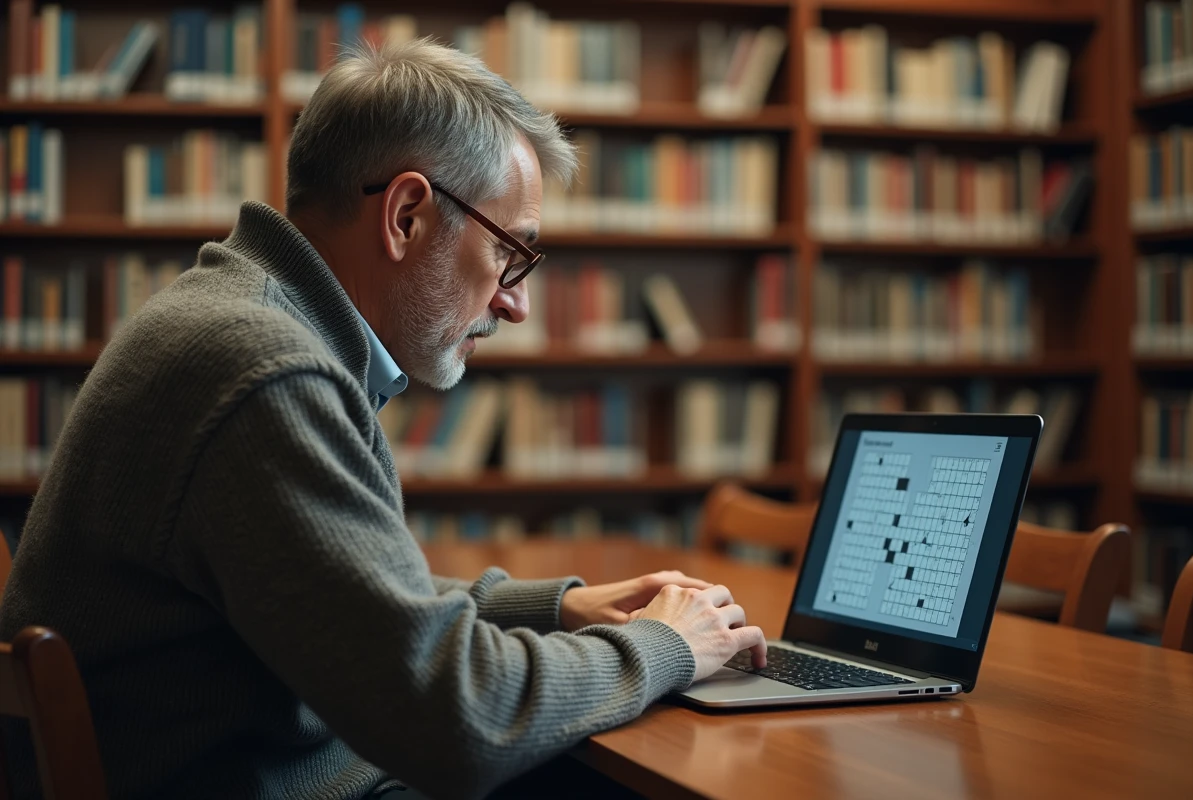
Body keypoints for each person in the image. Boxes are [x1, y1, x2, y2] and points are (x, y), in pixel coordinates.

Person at [0, 40, 767, 800]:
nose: (516, 302)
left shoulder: (242, 317)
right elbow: (458, 720)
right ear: (406, 216)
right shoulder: (264, 369)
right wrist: (662, 646)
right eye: (510, 253)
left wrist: (560, 609)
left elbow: (349, 604)